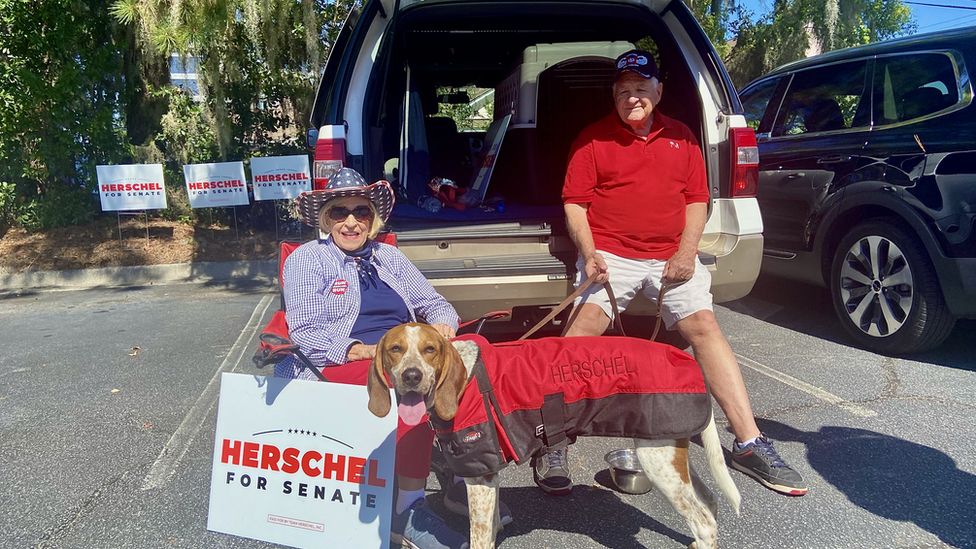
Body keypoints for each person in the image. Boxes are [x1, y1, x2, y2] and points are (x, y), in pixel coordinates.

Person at [534, 49, 808, 497]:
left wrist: (686, 253)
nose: (632, 98)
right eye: (623, 91)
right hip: (612, 255)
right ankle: (553, 441)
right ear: (614, 96)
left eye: (641, 89)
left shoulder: (682, 137)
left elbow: (696, 201)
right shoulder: (591, 140)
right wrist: (592, 254)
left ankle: (749, 442)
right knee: (580, 332)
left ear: (658, 92)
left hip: (671, 256)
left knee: (704, 328)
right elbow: (575, 205)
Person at [275, 167, 510, 549]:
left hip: (405, 351)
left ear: (373, 218)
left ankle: (462, 477)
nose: (351, 222)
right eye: (340, 212)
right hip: (334, 361)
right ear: (326, 218)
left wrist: (442, 328)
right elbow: (305, 331)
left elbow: (434, 303)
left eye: (361, 212)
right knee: (407, 391)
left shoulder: (388, 256)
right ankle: (407, 509)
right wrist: (362, 350)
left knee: (477, 369)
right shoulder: (306, 260)